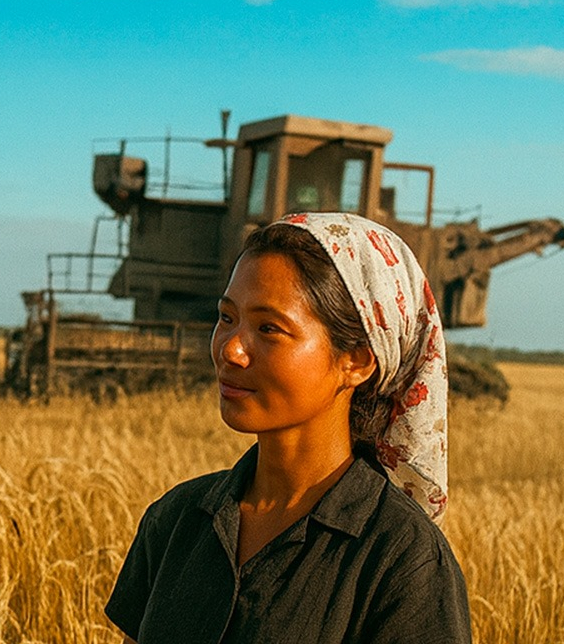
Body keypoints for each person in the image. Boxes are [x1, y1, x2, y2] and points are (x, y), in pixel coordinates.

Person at [105, 212, 471, 643]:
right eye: (226, 318)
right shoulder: (176, 521)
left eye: (269, 328)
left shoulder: (401, 559)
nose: (232, 350)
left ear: (356, 360)